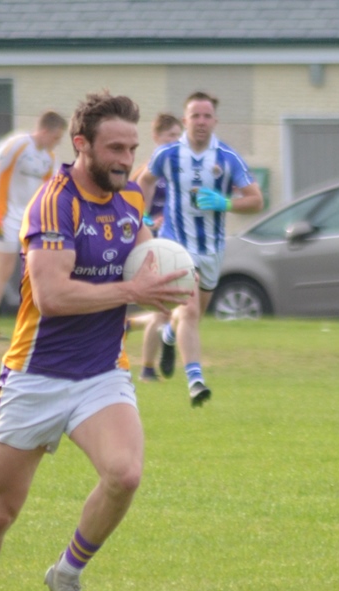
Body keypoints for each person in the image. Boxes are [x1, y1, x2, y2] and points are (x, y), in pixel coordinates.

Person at [0, 90, 191, 591]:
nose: (127, 159)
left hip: (101, 372)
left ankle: (68, 572)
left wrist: (172, 285)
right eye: (115, 148)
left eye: (132, 147)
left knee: (124, 474)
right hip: (36, 375)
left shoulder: (129, 195)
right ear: (81, 145)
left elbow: (146, 259)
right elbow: (52, 296)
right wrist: (133, 293)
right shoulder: (52, 205)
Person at [137, 91, 264, 406]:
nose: (201, 122)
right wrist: (139, 213)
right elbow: (145, 180)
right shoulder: (167, 154)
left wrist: (225, 202)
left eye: (207, 116)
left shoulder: (227, 158)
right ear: (185, 121)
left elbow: (257, 200)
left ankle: (169, 337)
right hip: (175, 243)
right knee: (190, 310)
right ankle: (196, 380)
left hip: (211, 249)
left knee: (194, 313)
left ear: (215, 121)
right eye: (195, 116)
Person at [0, 110, 68, 341]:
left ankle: (35, 324)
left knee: (36, 270)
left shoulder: (49, 157)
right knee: (3, 268)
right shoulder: (17, 144)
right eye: (56, 137)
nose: (56, 143)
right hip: (4, 217)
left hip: (30, 220)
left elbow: (54, 190)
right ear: (45, 130)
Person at [135, 113, 183, 382]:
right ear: (156, 138)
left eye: (178, 135)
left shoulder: (181, 168)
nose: (175, 141)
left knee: (174, 308)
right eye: (170, 136)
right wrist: (150, 222)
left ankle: (149, 362)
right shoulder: (149, 170)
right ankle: (147, 368)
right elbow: (133, 207)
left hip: (179, 244)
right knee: (164, 309)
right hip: (156, 245)